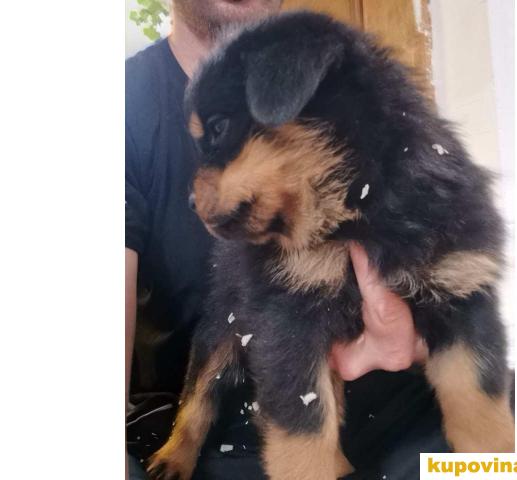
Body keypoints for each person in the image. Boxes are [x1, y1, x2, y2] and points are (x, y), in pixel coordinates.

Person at [125, 1, 446, 478]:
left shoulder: (349, 78)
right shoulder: (123, 103)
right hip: (233, 450)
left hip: (409, 421)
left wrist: (422, 337)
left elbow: (447, 255)